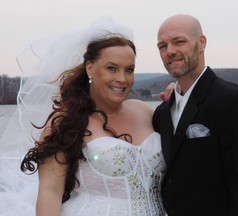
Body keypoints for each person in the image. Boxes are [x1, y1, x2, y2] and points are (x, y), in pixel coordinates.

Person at [0, 18, 166, 216]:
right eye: (111, 68)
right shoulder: (67, 123)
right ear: (90, 69)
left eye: (129, 69)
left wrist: (176, 94)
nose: (122, 79)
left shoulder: (145, 111)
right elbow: (50, 194)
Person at [153, 14, 238, 215]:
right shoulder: (162, 113)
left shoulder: (233, 100)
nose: (170, 51)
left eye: (179, 41)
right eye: (162, 46)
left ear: (201, 43)